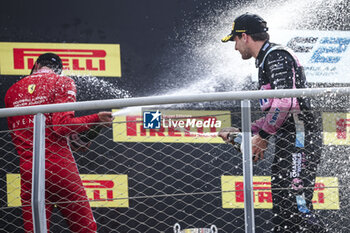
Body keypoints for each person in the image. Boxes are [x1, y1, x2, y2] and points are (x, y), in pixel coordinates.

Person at [219, 13, 325, 232]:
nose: (235, 47)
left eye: (235, 41)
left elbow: (287, 102)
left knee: (298, 204)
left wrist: (263, 137)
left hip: (300, 136)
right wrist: (246, 131)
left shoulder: (276, 55)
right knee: (283, 203)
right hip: (290, 139)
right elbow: (274, 112)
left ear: (244, 36)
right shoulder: (266, 60)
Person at [5, 53, 113, 232]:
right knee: (85, 229)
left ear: (37, 65)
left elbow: (20, 133)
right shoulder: (62, 81)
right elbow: (61, 126)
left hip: (29, 171)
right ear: (59, 70)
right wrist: (96, 119)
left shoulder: (12, 91)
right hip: (60, 167)